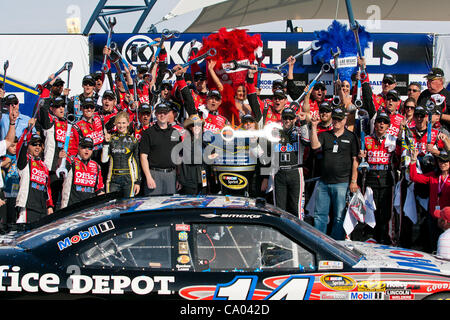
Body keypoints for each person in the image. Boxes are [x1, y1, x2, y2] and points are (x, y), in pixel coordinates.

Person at [310, 107, 359, 240]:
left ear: (344, 120)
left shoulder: (351, 136)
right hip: (324, 182)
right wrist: (314, 127)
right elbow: (314, 146)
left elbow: (355, 160)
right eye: (335, 119)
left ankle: (337, 244)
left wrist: (354, 181)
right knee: (319, 215)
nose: (336, 121)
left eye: (339, 119)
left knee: (339, 216)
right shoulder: (325, 134)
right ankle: (318, 241)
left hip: (342, 183)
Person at [358, 112, 398, 244]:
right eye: (379, 121)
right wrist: (361, 155)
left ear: (388, 126)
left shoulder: (393, 139)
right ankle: (370, 235)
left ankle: (385, 236)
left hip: (387, 178)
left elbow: (398, 158)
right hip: (371, 177)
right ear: (374, 124)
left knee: (385, 210)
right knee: (370, 207)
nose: (381, 124)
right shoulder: (366, 139)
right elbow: (358, 159)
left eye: (384, 122)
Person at [271, 107, 310, 219]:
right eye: (285, 118)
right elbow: (264, 152)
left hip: (295, 171)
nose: (287, 120)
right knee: (278, 209)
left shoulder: (299, 131)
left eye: (290, 118)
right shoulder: (275, 133)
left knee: (296, 208)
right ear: (281, 119)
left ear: (294, 119)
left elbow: (307, 141)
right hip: (279, 172)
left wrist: (302, 122)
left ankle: (298, 234)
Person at [409, 149, 450, 253]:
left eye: (445, 161)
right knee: (433, 243)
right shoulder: (433, 175)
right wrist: (413, 160)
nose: (442, 164)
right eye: (440, 161)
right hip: (433, 215)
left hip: (446, 218)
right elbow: (414, 177)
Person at [139, 103, 182, 196]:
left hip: (171, 175)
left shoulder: (175, 133)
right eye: (159, 113)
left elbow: (178, 156)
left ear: (169, 115)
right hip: (154, 174)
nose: (162, 115)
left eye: (165, 113)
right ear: (155, 114)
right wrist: (148, 177)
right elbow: (143, 157)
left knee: (170, 207)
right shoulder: (148, 133)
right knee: (154, 206)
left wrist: (179, 177)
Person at [16, 130, 54, 224]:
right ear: (28, 146)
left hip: (41, 208)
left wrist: (49, 206)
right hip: (27, 207)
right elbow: (19, 149)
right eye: (34, 144)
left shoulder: (44, 165)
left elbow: (47, 188)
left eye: (39, 145)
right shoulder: (25, 161)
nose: (37, 147)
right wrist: (27, 131)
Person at [58, 137, 105, 208]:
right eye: (84, 147)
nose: (87, 150)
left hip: (88, 209)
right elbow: (61, 171)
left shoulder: (96, 166)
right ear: (78, 147)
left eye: (90, 148)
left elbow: (99, 189)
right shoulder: (71, 161)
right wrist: (61, 158)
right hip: (70, 207)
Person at [102, 111, 141, 198]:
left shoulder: (133, 140)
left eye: (123, 123)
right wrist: (106, 143)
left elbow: (136, 162)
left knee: (128, 206)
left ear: (128, 123)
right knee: (111, 206)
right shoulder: (111, 139)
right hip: (113, 179)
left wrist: (137, 182)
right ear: (115, 123)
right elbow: (104, 160)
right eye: (119, 123)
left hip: (128, 179)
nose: (121, 125)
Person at [178, 114, 209, 195]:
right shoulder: (186, 143)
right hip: (190, 180)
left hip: (202, 179)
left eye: (199, 126)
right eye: (195, 126)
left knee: (203, 201)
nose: (197, 128)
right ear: (190, 128)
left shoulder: (204, 143)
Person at [0, 111, 19, 229]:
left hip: (3, 192)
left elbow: (9, 141)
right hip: (5, 191)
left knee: (5, 227)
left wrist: (12, 123)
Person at [418, 67, 450, 134]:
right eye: (428, 80)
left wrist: (440, 116)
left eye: (431, 80)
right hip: (424, 131)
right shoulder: (424, 95)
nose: (428, 82)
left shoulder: (448, 96)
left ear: (441, 81)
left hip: (443, 132)